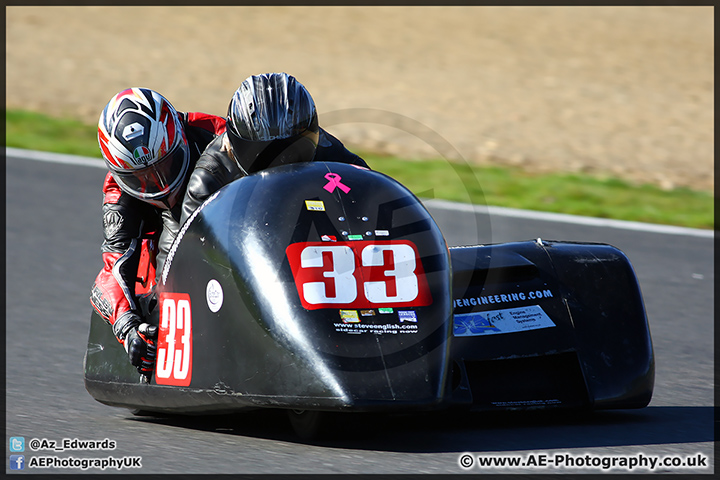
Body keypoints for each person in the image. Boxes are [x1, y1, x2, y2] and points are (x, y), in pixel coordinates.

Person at [90, 87, 225, 376]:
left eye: (166, 163)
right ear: (120, 173)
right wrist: (127, 327)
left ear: (178, 138)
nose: (160, 182)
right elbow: (110, 270)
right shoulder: (118, 194)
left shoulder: (213, 133)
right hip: (171, 262)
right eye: (141, 178)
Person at [177, 72, 369, 228]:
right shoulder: (211, 175)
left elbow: (376, 196)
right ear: (235, 142)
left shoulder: (330, 152)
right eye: (262, 154)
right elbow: (183, 251)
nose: (279, 164)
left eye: (289, 151)